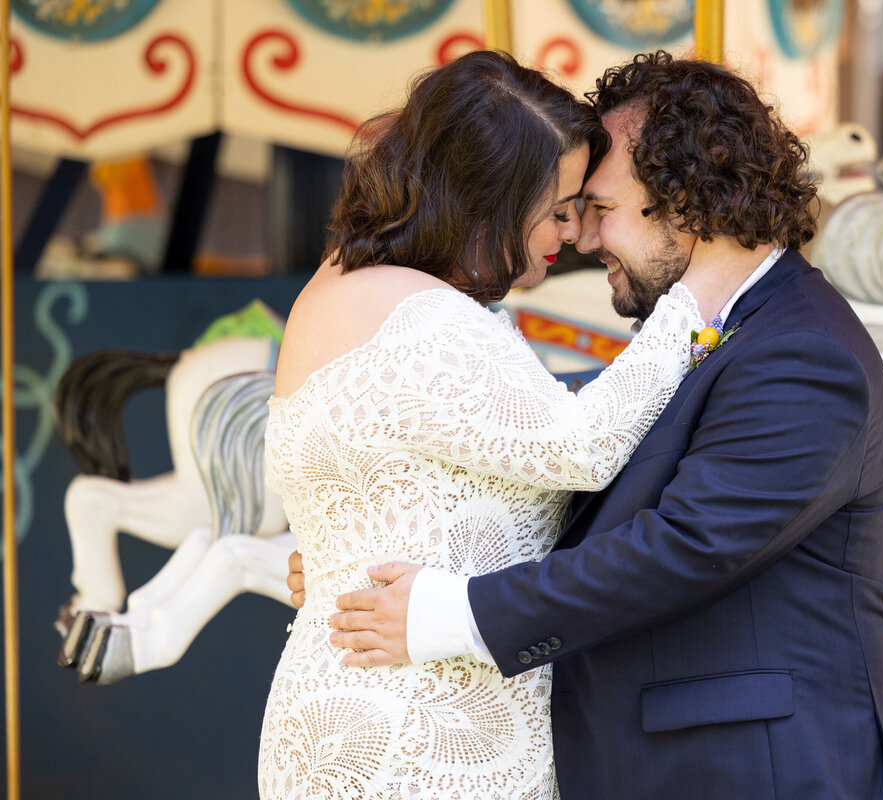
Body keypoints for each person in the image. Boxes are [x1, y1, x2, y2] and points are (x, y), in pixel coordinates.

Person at [295, 51, 883, 799]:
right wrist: (369, 549)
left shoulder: (803, 353)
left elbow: (687, 545)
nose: (583, 241)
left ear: (687, 203)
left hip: (760, 771)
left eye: (601, 209)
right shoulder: (713, 329)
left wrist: (454, 612)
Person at [258, 50, 731, 800]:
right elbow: (580, 447)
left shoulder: (358, 285)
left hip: (386, 707)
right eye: (558, 205)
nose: (572, 230)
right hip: (411, 730)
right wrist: (704, 284)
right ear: (491, 198)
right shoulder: (413, 312)